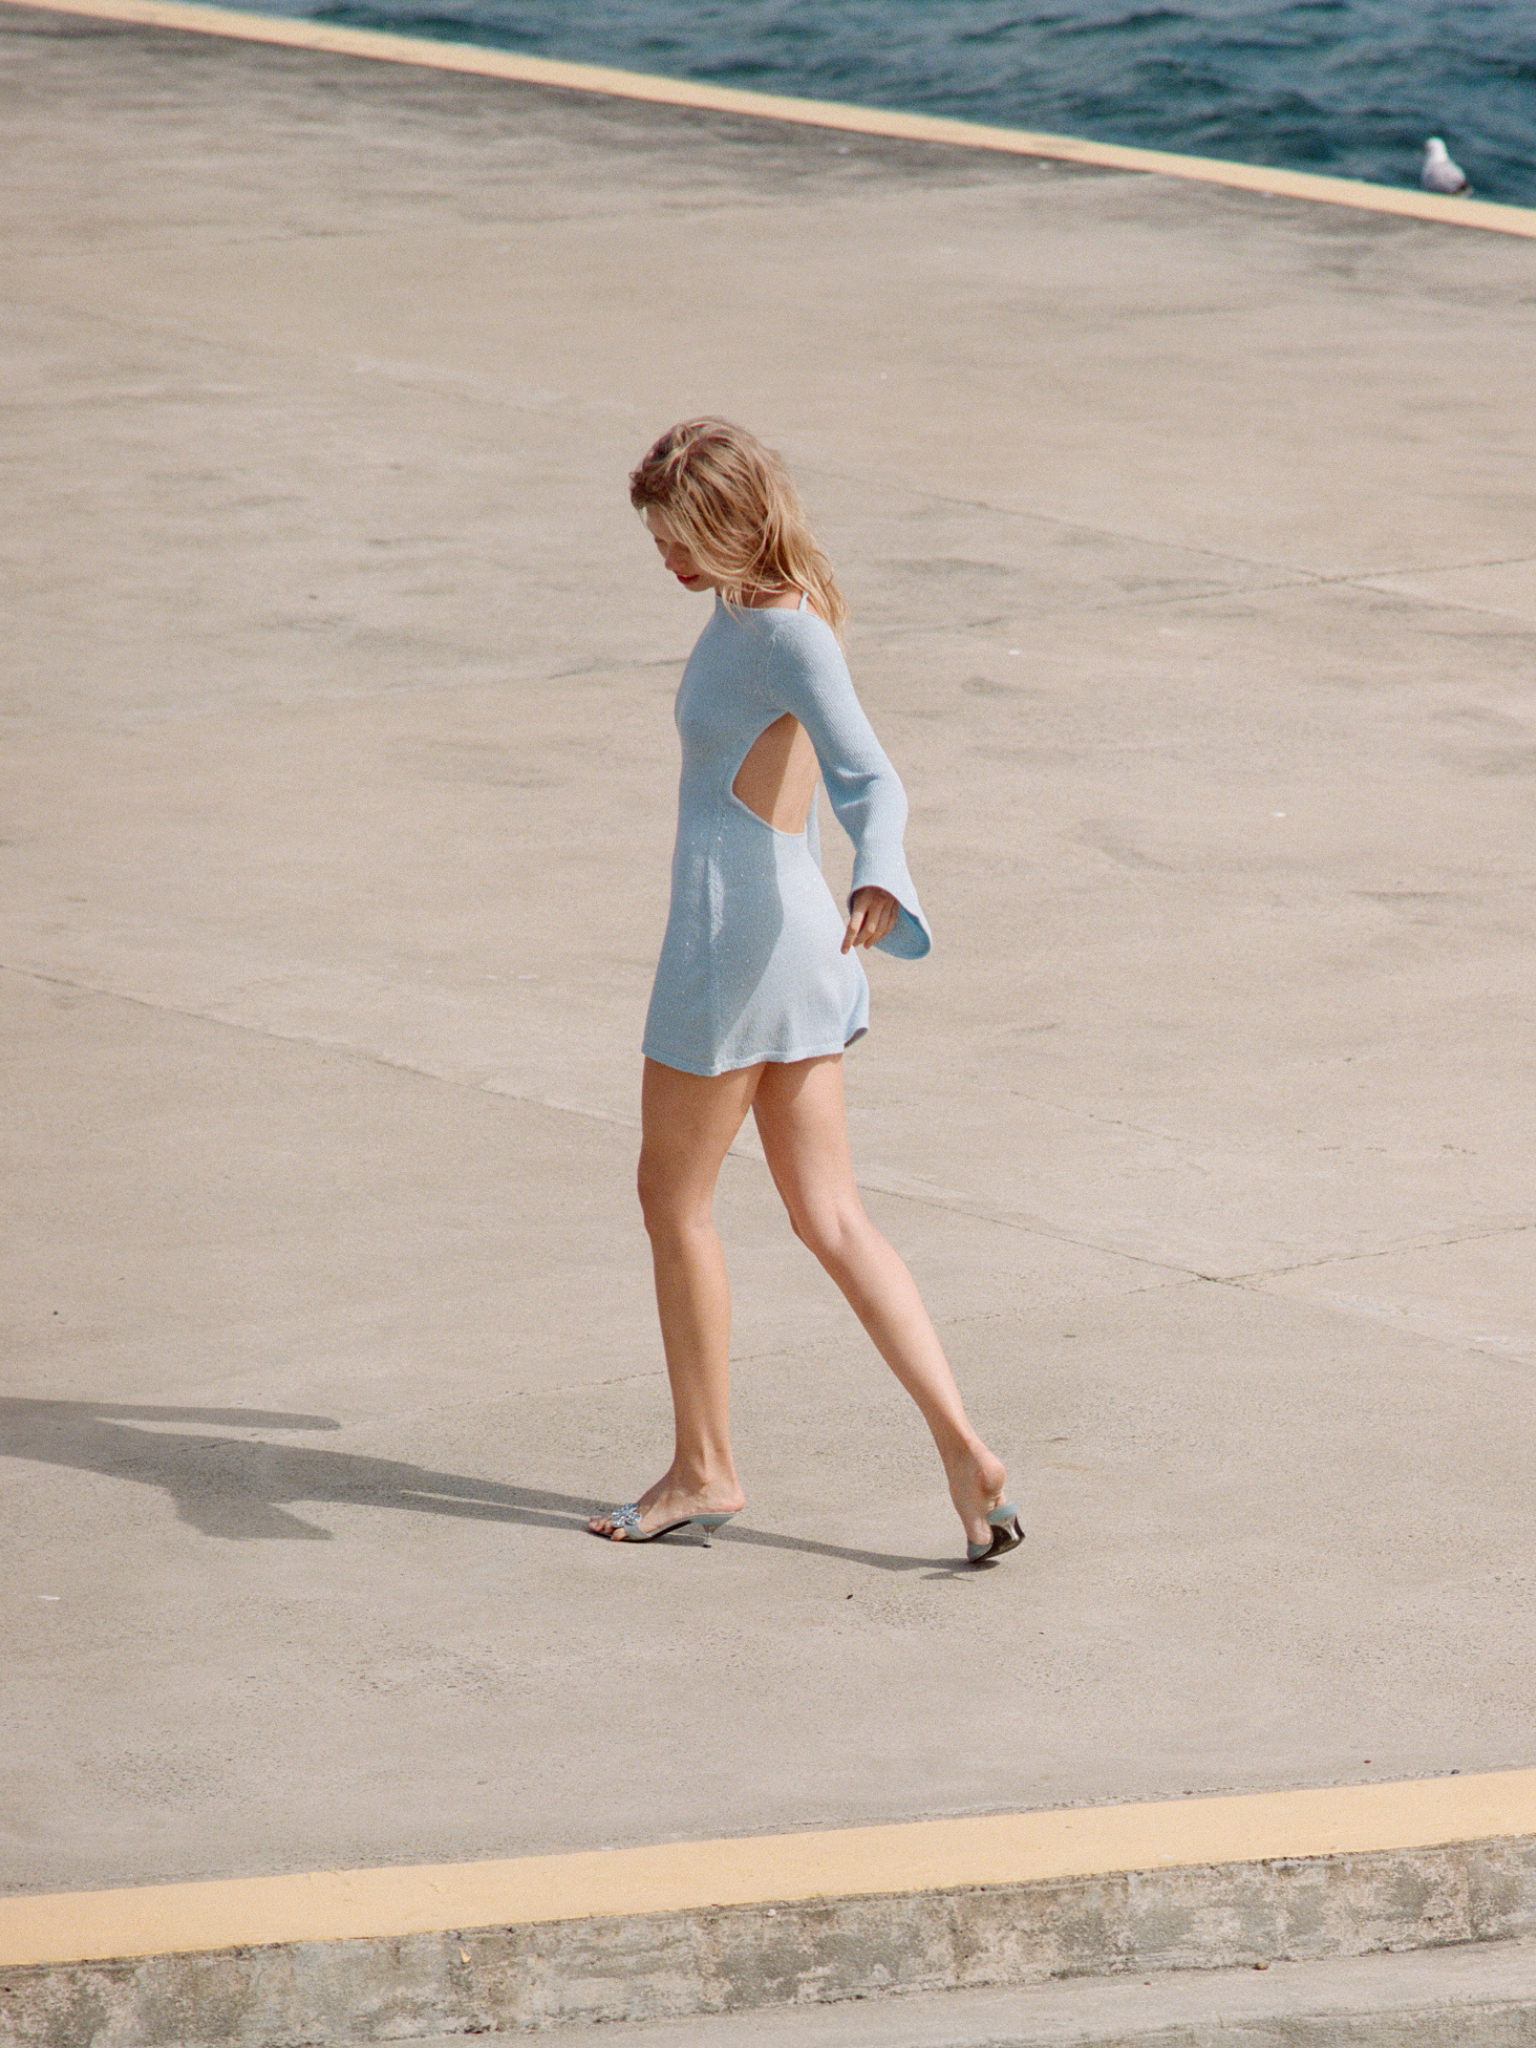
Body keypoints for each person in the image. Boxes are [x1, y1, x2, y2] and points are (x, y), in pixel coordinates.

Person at [588, 419, 1021, 1565]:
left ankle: (704, 1465)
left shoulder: (783, 631)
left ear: (732, 520)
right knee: (831, 1216)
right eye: (658, 538)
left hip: (730, 946)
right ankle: (965, 1449)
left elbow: (871, 773)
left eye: (681, 536)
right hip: (794, 949)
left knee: (674, 1202)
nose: (667, 559)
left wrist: (883, 868)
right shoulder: (765, 609)